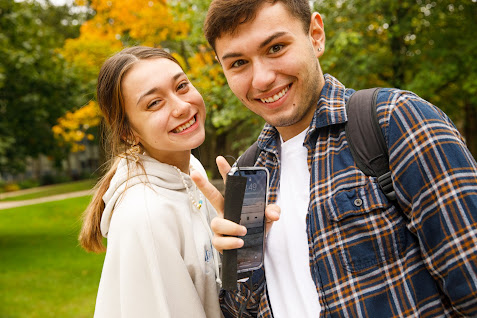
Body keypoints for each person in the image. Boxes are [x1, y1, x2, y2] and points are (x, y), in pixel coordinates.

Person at [191, 0, 477, 317]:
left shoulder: (394, 120)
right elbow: (240, 311)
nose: (261, 79)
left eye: (275, 48)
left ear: (315, 35)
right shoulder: (248, 174)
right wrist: (241, 256)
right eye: (238, 63)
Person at [79, 46, 223, 318]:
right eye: (154, 103)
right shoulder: (145, 214)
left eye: (181, 86)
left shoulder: (191, 170)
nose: (182, 106)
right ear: (128, 132)